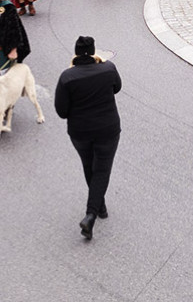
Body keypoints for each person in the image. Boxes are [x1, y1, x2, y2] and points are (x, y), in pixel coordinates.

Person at [54, 36, 122, 241]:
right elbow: (117, 87)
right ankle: (93, 212)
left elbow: (61, 111)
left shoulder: (67, 77)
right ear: (94, 52)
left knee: (88, 165)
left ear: (75, 53)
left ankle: (99, 207)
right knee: (102, 169)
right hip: (107, 129)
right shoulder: (109, 69)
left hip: (80, 132)